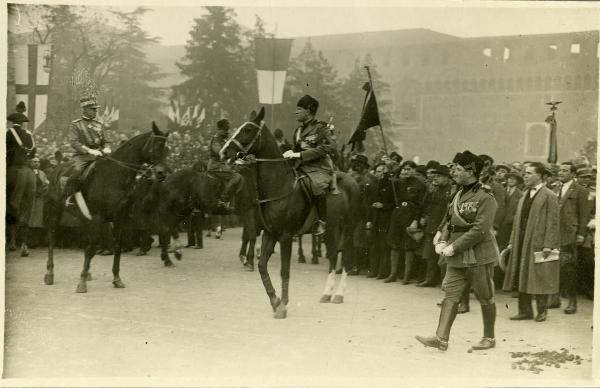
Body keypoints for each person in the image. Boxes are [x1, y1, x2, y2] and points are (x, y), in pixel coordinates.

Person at [416, 150, 499, 351]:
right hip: (456, 256)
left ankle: (489, 338)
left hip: (478, 256)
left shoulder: (486, 197)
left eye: (458, 169)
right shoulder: (457, 194)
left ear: (471, 171)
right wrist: (442, 239)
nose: (454, 172)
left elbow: (480, 230)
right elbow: (450, 222)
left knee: (485, 296)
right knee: (450, 295)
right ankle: (441, 338)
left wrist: (454, 246)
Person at [502, 162, 560, 322]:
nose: (525, 176)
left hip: (538, 241)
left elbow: (553, 223)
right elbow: (516, 220)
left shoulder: (550, 195)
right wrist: (512, 240)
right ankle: (525, 311)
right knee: (522, 274)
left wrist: (548, 244)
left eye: (529, 173)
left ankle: (542, 311)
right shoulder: (524, 194)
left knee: (539, 275)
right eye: (525, 173)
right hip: (522, 240)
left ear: (539, 175)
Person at [283, 95, 337, 235]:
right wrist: (291, 152)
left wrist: (300, 155)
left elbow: (328, 147)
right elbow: (296, 148)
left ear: (308, 110)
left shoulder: (321, 128)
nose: (296, 112)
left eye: (299, 109)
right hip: (300, 167)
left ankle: (322, 222)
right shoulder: (298, 131)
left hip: (319, 168)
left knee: (315, 186)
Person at [553, 161, 590, 314]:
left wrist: (581, 234)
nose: (561, 173)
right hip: (555, 233)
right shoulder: (555, 188)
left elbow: (584, 215)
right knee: (554, 266)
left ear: (573, 174)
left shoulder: (580, 191)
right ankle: (554, 299)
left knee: (569, 268)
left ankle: (572, 302)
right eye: (560, 170)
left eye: (565, 170)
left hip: (570, 234)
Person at [63, 96, 111, 205]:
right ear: (84, 109)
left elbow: (106, 140)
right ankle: (70, 196)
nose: (95, 111)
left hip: (100, 156)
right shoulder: (76, 124)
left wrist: (107, 147)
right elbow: (74, 142)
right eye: (92, 109)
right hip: (82, 156)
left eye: (96, 109)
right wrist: (89, 151)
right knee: (76, 172)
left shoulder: (99, 124)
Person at [418, 164, 453, 287]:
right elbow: (426, 204)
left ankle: (444, 281)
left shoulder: (452, 190)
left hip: (444, 226)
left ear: (447, 178)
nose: (435, 178)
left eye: (439, 176)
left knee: (443, 255)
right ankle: (429, 279)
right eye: (435, 176)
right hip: (432, 223)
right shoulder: (433, 189)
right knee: (430, 254)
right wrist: (424, 216)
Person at [207, 118, 242, 213]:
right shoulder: (215, 140)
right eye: (225, 130)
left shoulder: (224, 140)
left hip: (222, 165)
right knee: (236, 176)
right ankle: (223, 199)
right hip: (215, 166)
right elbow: (220, 153)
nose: (227, 132)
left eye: (228, 130)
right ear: (219, 130)